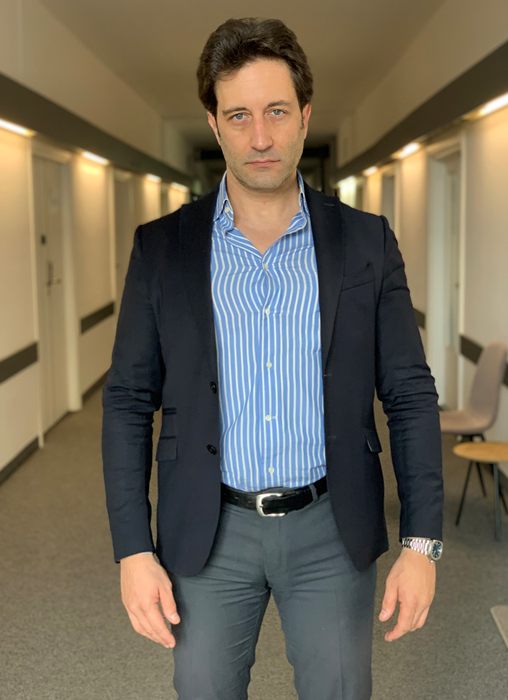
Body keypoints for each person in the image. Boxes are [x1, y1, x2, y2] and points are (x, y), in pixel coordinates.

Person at [102, 17, 443, 700]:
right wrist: (133, 548)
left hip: (331, 526)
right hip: (208, 529)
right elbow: (128, 401)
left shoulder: (366, 243)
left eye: (277, 111)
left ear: (305, 115)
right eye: (239, 115)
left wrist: (422, 542)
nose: (260, 137)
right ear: (215, 123)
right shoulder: (162, 249)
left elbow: (408, 391)